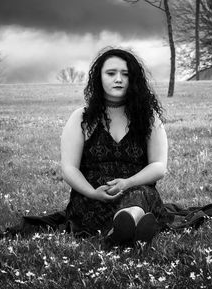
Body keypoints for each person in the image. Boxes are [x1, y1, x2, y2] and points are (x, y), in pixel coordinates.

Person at [61, 48, 168, 245]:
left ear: (133, 79)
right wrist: (93, 193)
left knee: (139, 197)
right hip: (91, 198)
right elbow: (69, 168)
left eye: (125, 74)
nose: (118, 79)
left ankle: (127, 223)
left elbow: (159, 166)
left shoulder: (148, 117)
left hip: (137, 193)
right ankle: (126, 231)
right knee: (95, 207)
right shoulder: (81, 118)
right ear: (99, 78)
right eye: (111, 73)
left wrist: (127, 183)